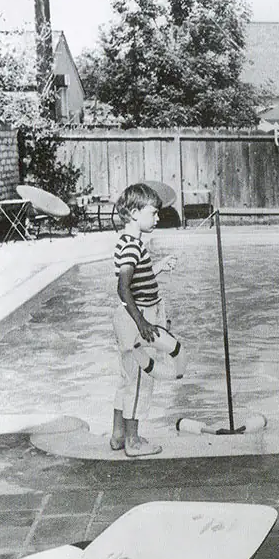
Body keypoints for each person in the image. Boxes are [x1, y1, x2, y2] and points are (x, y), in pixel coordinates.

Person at [109, 183, 190, 458]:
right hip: (138, 317)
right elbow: (123, 288)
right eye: (153, 213)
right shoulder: (132, 246)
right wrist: (142, 322)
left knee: (127, 378)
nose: (157, 218)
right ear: (133, 213)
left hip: (133, 317)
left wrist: (158, 266)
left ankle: (118, 435)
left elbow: (138, 279)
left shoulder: (128, 243)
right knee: (142, 380)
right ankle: (133, 442)